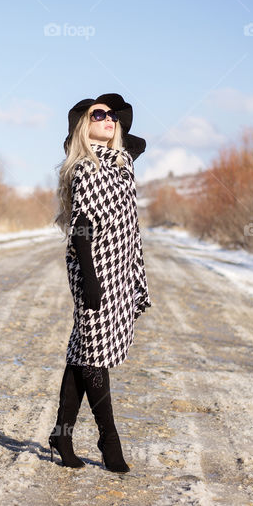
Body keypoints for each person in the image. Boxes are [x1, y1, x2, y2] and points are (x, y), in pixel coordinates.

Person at [48, 93, 152, 472]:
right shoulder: (85, 168)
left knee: (83, 352)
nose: (109, 120)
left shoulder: (121, 164)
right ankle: (110, 440)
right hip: (93, 268)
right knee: (96, 355)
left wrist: (110, 121)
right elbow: (82, 229)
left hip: (121, 269)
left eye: (113, 117)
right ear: (81, 125)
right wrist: (90, 280)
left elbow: (137, 142)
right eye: (99, 115)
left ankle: (62, 432)